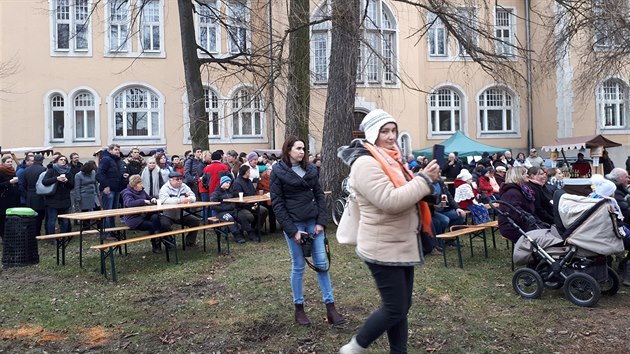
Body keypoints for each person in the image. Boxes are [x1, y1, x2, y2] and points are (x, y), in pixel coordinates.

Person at [337, 109, 439, 353]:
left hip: (400, 243)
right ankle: (354, 347)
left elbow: (410, 193)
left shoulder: (392, 160)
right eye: (385, 131)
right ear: (373, 134)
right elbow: (390, 201)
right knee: (395, 307)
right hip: (382, 245)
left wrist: (430, 190)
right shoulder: (365, 163)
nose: (392, 136)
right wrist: (424, 180)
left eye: (393, 130)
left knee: (402, 306)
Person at [270, 135, 344, 327]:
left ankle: (331, 307)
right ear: (288, 150)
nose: (302, 152)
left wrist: (321, 221)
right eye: (298, 148)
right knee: (298, 266)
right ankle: (299, 308)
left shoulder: (311, 169)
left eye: (304, 148)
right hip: (294, 225)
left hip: (313, 222)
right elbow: (277, 204)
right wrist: (292, 231)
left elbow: (319, 195)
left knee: (321, 263)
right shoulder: (277, 172)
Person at [121, 175, 170, 253]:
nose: (142, 185)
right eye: (140, 184)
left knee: (155, 217)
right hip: (134, 219)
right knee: (155, 226)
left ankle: (160, 243)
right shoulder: (127, 193)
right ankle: (162, 243)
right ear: (134, 185)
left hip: (144, 215)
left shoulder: (141, 191)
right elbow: (129, 203)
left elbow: (148, 197)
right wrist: (143, 201)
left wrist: (152, 199)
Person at [497, 166, 541, 243]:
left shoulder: (524, 190)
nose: (527, 175)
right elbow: (515, 213)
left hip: (524, 222)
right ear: (517, 176)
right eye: (525, 173)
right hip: (512, 226)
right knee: (541, 235)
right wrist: (535, 224)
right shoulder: (511, 193)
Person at [159, 171, 200, 247]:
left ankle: (190, 242)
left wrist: (189, 199)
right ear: (170, 180)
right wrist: (179, 200)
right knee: (164, 224)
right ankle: (169, 242)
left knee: (195, 221)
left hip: (181, 213)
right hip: (167, 214)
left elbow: (193, 196)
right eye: (177, 179)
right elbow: (164, 200)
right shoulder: (164, 188)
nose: (180, 181)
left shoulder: (184, 186)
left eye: (181, 179)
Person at [95, 144, 127, 238]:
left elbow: (113, 174)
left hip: (116, 189)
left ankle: (112, 231)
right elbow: (99, 174)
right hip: (108, 190)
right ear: (110, 150)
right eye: (116, 149)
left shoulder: (116, 160)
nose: (118, 151)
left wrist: (122, 177)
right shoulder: (106, 159)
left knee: (113, 213)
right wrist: (105, 186)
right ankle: (106, 233)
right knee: (107, 212)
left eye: (118, 150)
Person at [231, 164, 269, 240]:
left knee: (264, 211)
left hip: (252, 204)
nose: (250, 173)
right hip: (241, 207)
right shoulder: (237, 183)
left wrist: (255, 203)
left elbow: (253, 193)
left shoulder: (248, 181)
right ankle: (250, 232)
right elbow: (238, 199)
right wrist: (250, 206)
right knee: (249, 216)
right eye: (249, 172)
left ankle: (257, 229)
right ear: (246, 173)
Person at [42, 155, 74, 235]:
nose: (63, 161)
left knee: (65, 220)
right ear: (56, 161)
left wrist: (66, 181)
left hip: (65, 199)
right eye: (61, 159)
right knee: (52, 220)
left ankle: (63, 237)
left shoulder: (69, 171)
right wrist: (56, 179)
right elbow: (44, 182)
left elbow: (72, 186)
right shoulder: (52, 170)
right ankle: (51, 238)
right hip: (53, 200)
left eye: (65, 160)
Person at [209, 175, 247, 244]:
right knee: (230, 219)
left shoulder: (231, 192)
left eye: (229, 183)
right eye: (226, 182)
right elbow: (212, 205)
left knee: (241, 216)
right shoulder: (216, 193)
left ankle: (243, 233)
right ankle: (237, 236)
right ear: (222, 183)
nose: (228, 184)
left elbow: (234, 200)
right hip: (221, 213)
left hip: (232, 210)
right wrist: (222, 208)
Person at [23, 154, 47, 236]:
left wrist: (27, 194)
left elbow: (23, 184)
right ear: (41, 161)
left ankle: (31, 232)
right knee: (39, 216)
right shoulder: (43, 169)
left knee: (31, 215)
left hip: (30, 195)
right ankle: (37, 232)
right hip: (40, 195)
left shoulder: (26, 170)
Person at [0, 155, 21, 241]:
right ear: (3, 163)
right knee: (2, 217)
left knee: (12, 217)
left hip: (13, 197)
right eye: (8, 162)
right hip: (3, 198)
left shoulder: (12, 171)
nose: (10, 164)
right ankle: (3, 236)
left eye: (11, 162)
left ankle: (11, 235)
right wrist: (9, 182)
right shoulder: (1, 171)